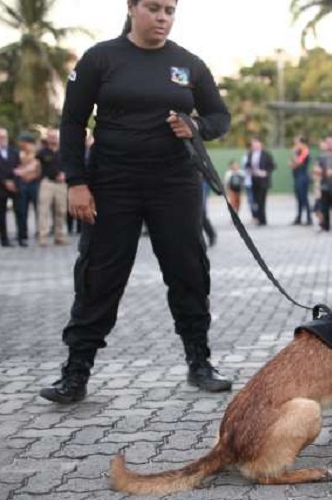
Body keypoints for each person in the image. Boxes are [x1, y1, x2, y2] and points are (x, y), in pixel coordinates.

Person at [39, 0, 232, 404]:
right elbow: (72, 123)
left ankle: (200, 362)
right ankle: (75, 373)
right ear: (131, 8)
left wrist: (195, 125)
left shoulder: (189, 64)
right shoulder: (100, 59)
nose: (162, 18)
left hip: (174, 184)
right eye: (154, 8)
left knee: (188, 272)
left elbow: (219, 116)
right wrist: (76, 181)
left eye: (170, 10)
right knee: (99, 277)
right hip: (111, 184)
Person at [37, 129, 69, 246]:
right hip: (47, 183)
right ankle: (43, 237)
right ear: (47, 138)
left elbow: (69, 164)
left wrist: (65, 174)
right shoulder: (42, 152)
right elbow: (36, 165)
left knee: (61, 211)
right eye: (51, 137)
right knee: (43, 210)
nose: (53, 139)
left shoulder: (64, 151)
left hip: (61, 184)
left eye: (55, 136)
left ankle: (59, 236)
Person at [14, 133, 41, 246]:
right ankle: (22, 234)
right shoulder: (18, 154)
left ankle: (39, 231)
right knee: (22, 210)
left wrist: (28, 173)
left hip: (34, 184)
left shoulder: (37, 155)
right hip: (22, 184)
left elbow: (39, 170)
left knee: (38, 210)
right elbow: (16, 169)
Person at [244, 136, 275, 225]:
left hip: (263, 180)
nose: (254, 145)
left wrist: (265, 172)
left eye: (256, 143)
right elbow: (247, 164)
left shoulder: (266, 154)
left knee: (262, 200)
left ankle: (263, 220)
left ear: (260, 144)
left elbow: (272, 165)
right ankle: (259, 218)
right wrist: (248, 168)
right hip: (254, 179)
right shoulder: (250, 154)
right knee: (256, 200)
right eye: (253, 144)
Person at [290, 135, 312, 225]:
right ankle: (298, 218)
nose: (295, 144)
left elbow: (298, 162)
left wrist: (294, 155)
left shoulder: (305, 151)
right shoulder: (299, 152)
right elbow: (291, 164)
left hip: (303, 177)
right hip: (297, 177)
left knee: (304, 198)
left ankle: (309, 218)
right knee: (298, 198)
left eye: (297, 142)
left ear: (302, 143)